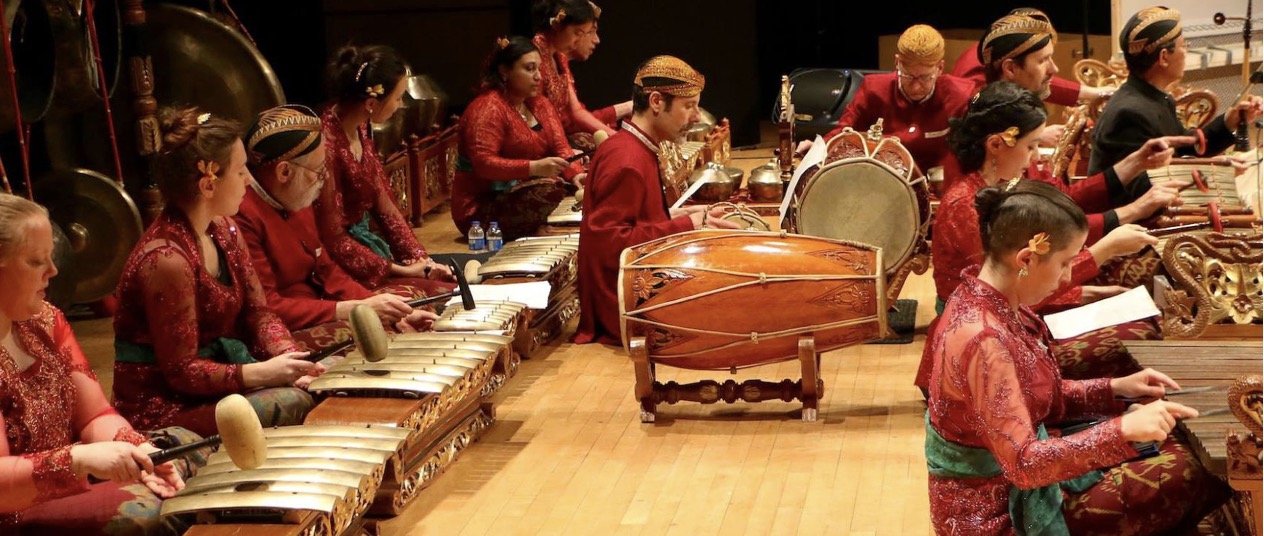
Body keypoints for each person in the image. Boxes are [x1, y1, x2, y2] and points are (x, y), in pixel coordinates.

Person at [924, 179, 1229, 534]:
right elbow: (1024, 465)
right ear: (1025, 259)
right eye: (1066, 262)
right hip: (997, 512)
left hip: (1015, 476)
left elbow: (1038, 398)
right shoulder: (983, 338)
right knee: (1193, 471)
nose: (1070, 275)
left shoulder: (993, 300)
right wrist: (1121, 430)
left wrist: (1114, 389)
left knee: (1176, 450)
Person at [915, 81, 1190, 391]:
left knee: (1142, 319)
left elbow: (1027, 277)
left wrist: (1091, 294)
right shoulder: (965, 206)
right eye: (1030, 145)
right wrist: (1103, 252)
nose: (1034, 157)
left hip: (1009, 322)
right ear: (995, 145)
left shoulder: (1003, 183)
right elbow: (1011, 293)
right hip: (976, 352)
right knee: (1137, 335)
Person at [0, 192, 207, 535]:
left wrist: (139, 450)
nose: (53, 271)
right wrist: (81, 460)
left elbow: (94, 414)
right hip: (15, 512)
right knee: (144, 513)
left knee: (183, 452)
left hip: (64, 482)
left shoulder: (46, 322)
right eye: (36, 261)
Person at [112, 108, 325, 437]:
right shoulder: (167, 260)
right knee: (291, 401)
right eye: (240, 172)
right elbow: (182, 373)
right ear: (208, 184)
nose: (250, 180)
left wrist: (289, 357)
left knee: (321, 381)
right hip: (167, 406)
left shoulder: (225, 229)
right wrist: (265, 374)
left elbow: (259, 313)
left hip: (217, 383)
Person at [236, 104, 438, 349]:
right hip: (284, 330)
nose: (324, 179)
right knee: (375, 338)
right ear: (284, 171)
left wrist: (383, 308)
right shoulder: (242, 215)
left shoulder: (294, 194)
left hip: (321, 306)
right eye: (318, 171)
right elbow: (267, 306)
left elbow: (326, 269)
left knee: (407, 307)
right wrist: (351, 309)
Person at [574, 55, 740, 345]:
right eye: (689, 106)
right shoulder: (626, 159)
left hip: (636, 288)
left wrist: (676, 216)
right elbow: (609, 243)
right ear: (655, 102)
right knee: (736, 299)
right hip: (626, 306)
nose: (697, 117)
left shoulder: (632, 146)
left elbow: (636, 222)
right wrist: (685, 225)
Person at [1089, 5, 1263, 205]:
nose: (1186, 51)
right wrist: (1217, 171)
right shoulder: (1130, 112)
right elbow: (1141, 189)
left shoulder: (1151, 97)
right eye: (1183, 45)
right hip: (1136, 226)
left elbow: (1184, 150)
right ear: (1164, 57)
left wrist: (1229, 121)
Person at [316, 44, 454, 291]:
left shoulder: (361, 127)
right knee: (426, 295)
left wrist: (424, 261)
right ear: (371, 103)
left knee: (440, 284)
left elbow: (386, 207)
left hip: (366, 247)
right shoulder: (325, 144)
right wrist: (402, 270)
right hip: (337, 259)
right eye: (398, 97)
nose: (401, 105)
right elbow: (332, 238)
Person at [453, 36, 584, 240]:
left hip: (524, 190)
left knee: (583, 178)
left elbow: (562, 149)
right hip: (481, 209)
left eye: (539, 69)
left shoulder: (539, 103)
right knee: (549, 189)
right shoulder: (487, 108)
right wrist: (534, 168)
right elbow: (484, 164)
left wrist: (575, 174)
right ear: (504, 71)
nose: (538, 76)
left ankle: (539, 225)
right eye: (530, 69)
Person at [818, 24, 974, 174]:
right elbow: (843, 133)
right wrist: (817, 150)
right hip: (881, 181)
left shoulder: (960, 95)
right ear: (897, 62)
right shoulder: (873, 89)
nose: (916, 87)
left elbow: (971, 151)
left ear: (940, 68)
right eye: (908, 76)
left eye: (925, 78)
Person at [952, 8, 1110, 109]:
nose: (1055, 69)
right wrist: (1032, 136)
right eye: (1043, 60)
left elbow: (1036, 77)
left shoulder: (1008, 61)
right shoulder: (976, 94)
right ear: (1010, 69)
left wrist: (1097, 93)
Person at [532, 0, 629, 148]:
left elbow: (577, 111)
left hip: (558, 138)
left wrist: (613, 137)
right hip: (539, 140)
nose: (579, 39)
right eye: (579, 32)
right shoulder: (533, 57)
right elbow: (536, 119)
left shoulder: (560, 58)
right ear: (558, 25)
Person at [567, 13, 631, 131]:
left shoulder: (561, 63)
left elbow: (578, 115)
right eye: (591, 31)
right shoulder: (543, 61)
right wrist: (626, 108)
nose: (597, 40)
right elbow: (573, 121)